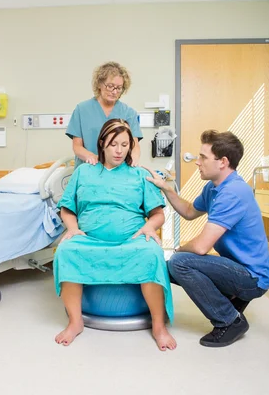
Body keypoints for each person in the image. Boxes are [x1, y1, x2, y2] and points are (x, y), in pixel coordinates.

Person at [53, 118, 176, 351]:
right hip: (89, 240)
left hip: (131, 240)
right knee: (67, 251)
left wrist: (150, 226)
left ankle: (158, 326)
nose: (119, 151)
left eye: (124, 144)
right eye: (113, 144)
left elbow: (157, 213)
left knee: (151, 253)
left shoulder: (138, 175)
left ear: (131, 146)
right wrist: (72, 228)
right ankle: (75, 321)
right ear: (102, 144)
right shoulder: (83, 172)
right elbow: (67, 208)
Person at [146, 130, 269, 348]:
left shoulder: (233, 192)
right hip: (236, 266)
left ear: (223, 162)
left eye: (203, 157)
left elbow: (202, 246)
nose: (197, 162)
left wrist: (178, 251)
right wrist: (166, 188)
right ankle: (232, 300)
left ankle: (229, 320)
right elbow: (188, 211)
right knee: (169, 268)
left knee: (179, 263)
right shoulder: (214, 187)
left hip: (253, 277)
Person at [66, 61, 142, 168]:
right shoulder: (82, 110)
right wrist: (91, 157)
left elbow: (135, 146)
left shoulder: (129, 113)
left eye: (119, 88)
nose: (114, 92)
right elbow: (77, 146)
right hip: (89, 169)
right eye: (110, 86)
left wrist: (134, 159)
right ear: (99, 84)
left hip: (118, 171)